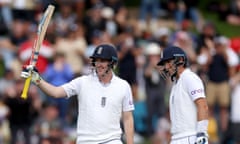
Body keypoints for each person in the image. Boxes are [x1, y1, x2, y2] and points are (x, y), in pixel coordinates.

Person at [20, 44, 135, 144]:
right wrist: (37, 80)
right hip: (86, 140)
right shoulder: (82, 82)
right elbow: (56, 92)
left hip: (112, 140)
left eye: (103, 61)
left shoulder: (123, 86)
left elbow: (128, 118)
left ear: (113, 62)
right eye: (97, 60)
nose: (99, 64)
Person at [156, 46, 209, 144]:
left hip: (190, 136)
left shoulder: (190, 78)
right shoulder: (176, 83)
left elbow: (202, 105)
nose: (166, 67)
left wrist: (202, 133)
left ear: (180, 60)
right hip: (177, 137)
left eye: (169, 62)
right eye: (165, 64)